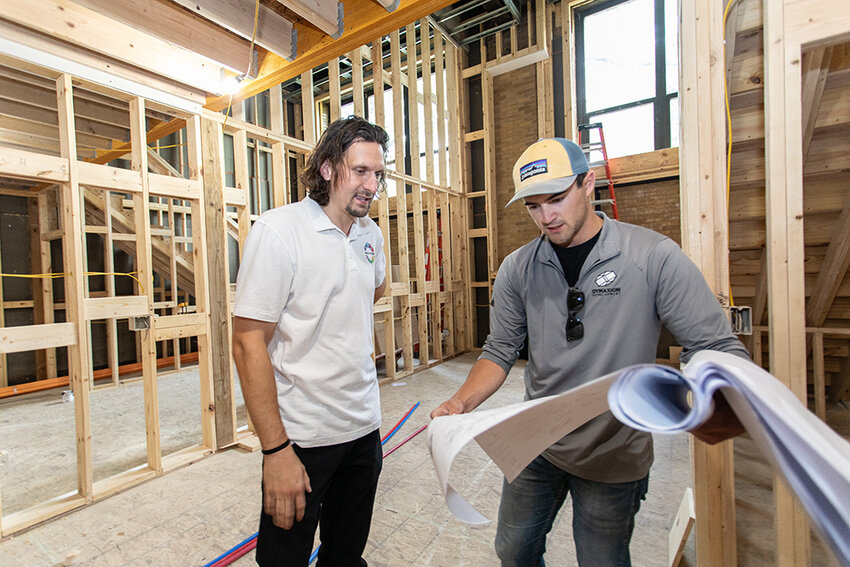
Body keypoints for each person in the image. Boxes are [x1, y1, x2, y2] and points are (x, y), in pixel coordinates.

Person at [431, 137, 750, 567]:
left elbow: (716, 347)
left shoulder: (652, 257)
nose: (546, 217)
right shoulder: (517, 269)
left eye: (557, 199)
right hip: (537, 444)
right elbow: (499, 349)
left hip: (613, 453)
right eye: (533, 206)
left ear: (588, 183)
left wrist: (713, 402)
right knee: (513, 551)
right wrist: (459, 402)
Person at [232, 116, 389, 567]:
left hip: (362, 429)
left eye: (377, 174)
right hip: (301, 437)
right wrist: (276, 451)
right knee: (285, 560)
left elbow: (373, 289)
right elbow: (247, 343)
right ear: (326, 169)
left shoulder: (370, 235)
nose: (370, 185)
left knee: (345, 554)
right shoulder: (280, 231)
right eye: (360, 171)